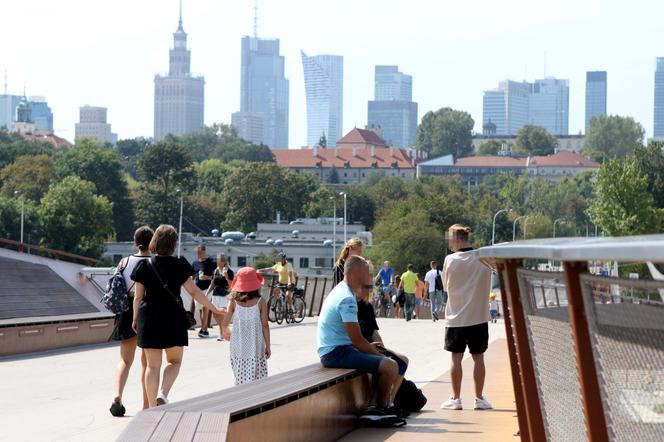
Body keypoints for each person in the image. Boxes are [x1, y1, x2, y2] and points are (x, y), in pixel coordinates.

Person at [131, 225, 223, 408]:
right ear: (174, 244)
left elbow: (138, 296)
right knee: (174, 362)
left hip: (148, 318)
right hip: (173, 317)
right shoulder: (179, 264)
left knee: (152, 366)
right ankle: (163, 394)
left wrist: (135, 319)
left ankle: (151, 407)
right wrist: (215, 308)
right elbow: (195, 292)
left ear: (154, 241)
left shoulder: (144, 265)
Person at [317, 256, 400, 418]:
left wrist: (370, 350)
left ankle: (376, 406)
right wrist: (380, 356)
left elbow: (356, 341)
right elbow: (357, 340)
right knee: (391, 366)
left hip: (336, 349)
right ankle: (378, 408)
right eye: (366, 271)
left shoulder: (340, 289)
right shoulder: (347, 299)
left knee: (384, 362)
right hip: (336, 353)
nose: (368, 275)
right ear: (356, 272)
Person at [440, 224, 493, 411]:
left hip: (456, 318)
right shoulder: (483, 257)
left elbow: (446, 287)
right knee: (479, 358)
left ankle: (456, 399)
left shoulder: (450, 260)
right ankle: (479, 399)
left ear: (456, 239)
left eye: (449, 240)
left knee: (456, 358)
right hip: (478, 316)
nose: (449, 244)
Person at [109, 226, 153, 417]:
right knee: (147, 363)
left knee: (125, 361)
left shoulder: (124, 262)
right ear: (152, 242)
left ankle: (118, 395)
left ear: (135, 242)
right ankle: (145, 404)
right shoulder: (154, 262)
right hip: (148, 310)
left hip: (126, 311)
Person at [357, 266, 409, 407]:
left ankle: (390, 401)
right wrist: (372, 349)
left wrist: (381, 346)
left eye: (369, 287)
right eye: (364, 286)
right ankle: (380, 403)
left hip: (371, 347)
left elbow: (374, 331)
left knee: (403, 361)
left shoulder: (367, 306)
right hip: (361, 348)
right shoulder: (350, 304)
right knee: (390, 364)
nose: (367, 290)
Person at [222, 267, 270, 385]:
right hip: (255, 345)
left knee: (240, 375)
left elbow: (224, 323)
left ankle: (241, 396)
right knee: (257, 378)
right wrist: (268, 346)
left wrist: (226, 331)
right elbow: (265, 326)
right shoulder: (261, 301)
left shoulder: (233, 301)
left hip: (238, 345)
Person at [205, 254, 234, 341]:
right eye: (217, 260)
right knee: (216, 315)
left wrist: (226, 276)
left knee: (223, 315)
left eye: (218, 260)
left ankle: (223, 334)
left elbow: (231, 285)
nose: (217, 262)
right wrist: (206, 294)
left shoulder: (229, 271)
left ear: (224, 261)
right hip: (215, 295)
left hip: (224, 295)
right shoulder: (215, 271)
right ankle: (223, 332)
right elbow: (212, 283)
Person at [191, 245, 216, 338]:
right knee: (201, 310)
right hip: (198, 289)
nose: (198, 254)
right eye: (197, 252)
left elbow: (216, 277)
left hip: (208, 289)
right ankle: (204, 329)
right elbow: (192, 276)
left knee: (205, 308)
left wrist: (207, 277)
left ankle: (203, 329)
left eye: (199, 252)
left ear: (204, 252)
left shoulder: (211, 263)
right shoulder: (194, 263)